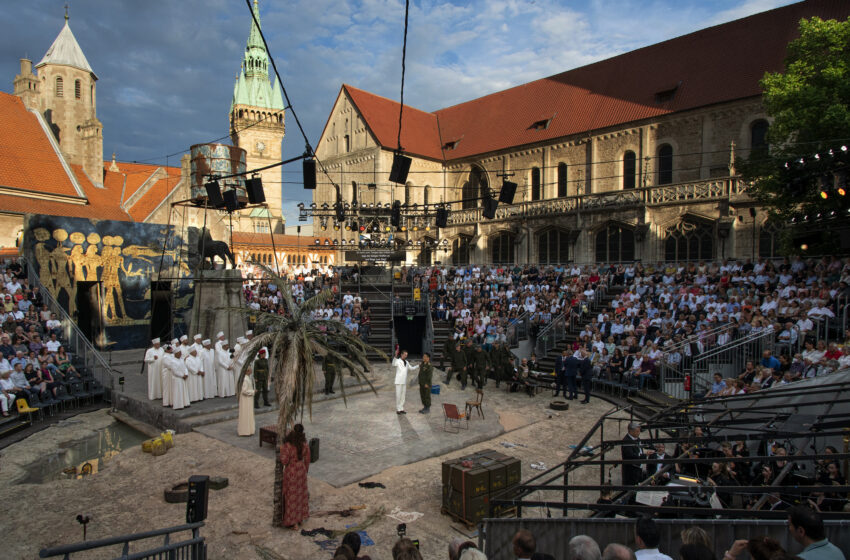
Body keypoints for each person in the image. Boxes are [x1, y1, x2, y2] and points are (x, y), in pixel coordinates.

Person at [280, 423, 310, 529]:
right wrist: (305, 471)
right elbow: (307, 459)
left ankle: (294, 522)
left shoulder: (288, 445)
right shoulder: (304, 444)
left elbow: (284, 461)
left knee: (291, 497)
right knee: (300, 495)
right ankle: (300, 518)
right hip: (301, 470)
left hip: (291, 471)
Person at [622, 422, 654, 494]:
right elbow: (630, 455)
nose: (639, 433)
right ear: (630, 431)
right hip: (631, 471)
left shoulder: (637, 439)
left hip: (638, 468)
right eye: (637, 431)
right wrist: (644, 454)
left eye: (639, 431)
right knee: (631, 490)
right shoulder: (626, 441)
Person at [392, 348, 418, 414]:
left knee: (403, 396)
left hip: (404, 381)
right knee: (398, 395)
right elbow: (393, 364)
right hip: (398, 381)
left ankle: (401, 408)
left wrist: (418, 366)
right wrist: (395, 355)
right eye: (405, 354)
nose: (405, 356)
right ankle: (398, 409)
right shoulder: (397, 361)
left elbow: (411, 368)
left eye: (406, 355)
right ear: (401, 354)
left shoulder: (406, 362)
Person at [237, 366, 255, 436]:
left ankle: (249, 430)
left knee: (248, 414)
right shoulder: (245, 379)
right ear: (247, 371)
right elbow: (244, 391)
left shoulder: (247, 378)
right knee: (245, 414)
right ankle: (244, 431)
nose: (251, 371)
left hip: (248, 400)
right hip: (245, 400)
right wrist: (253, 391)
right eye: (250, 370)